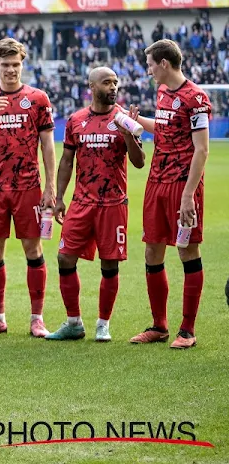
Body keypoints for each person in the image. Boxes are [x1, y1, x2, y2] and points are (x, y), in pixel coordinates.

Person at [45, 67, 145, 342]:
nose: (113, 87)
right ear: (92, 86)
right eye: (106, 82)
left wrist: (128, 136)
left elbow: (138, 162)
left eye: (115, 82)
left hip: (113, 204)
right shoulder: (76, 120)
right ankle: (74, 322)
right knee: (64, 257)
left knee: (110, 264)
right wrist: (60, 197)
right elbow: (67, 161)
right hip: (81, 203)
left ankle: (103, 323)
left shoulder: (123, 119)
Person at [0, 38, 56, 337]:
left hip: (28, 186)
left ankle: (37, 318)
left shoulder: (38, 98)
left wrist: (51, 186)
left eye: (16, 64)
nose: (10, 70)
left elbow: (47, 146)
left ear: (23, 63)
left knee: (33, 248)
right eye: (5, 65)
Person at [126, 39, 211, 349]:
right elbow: (161, 129)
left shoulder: (196, 97)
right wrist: (135, 121)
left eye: (150, 64)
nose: (148, 70)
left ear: (163, 63)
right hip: (156, 182)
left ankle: (187, 330)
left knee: (187, 251)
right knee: (152, 251)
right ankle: (159, 325)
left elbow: (201, 150)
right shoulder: (162, 93)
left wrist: (189, 195)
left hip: (181, 186)